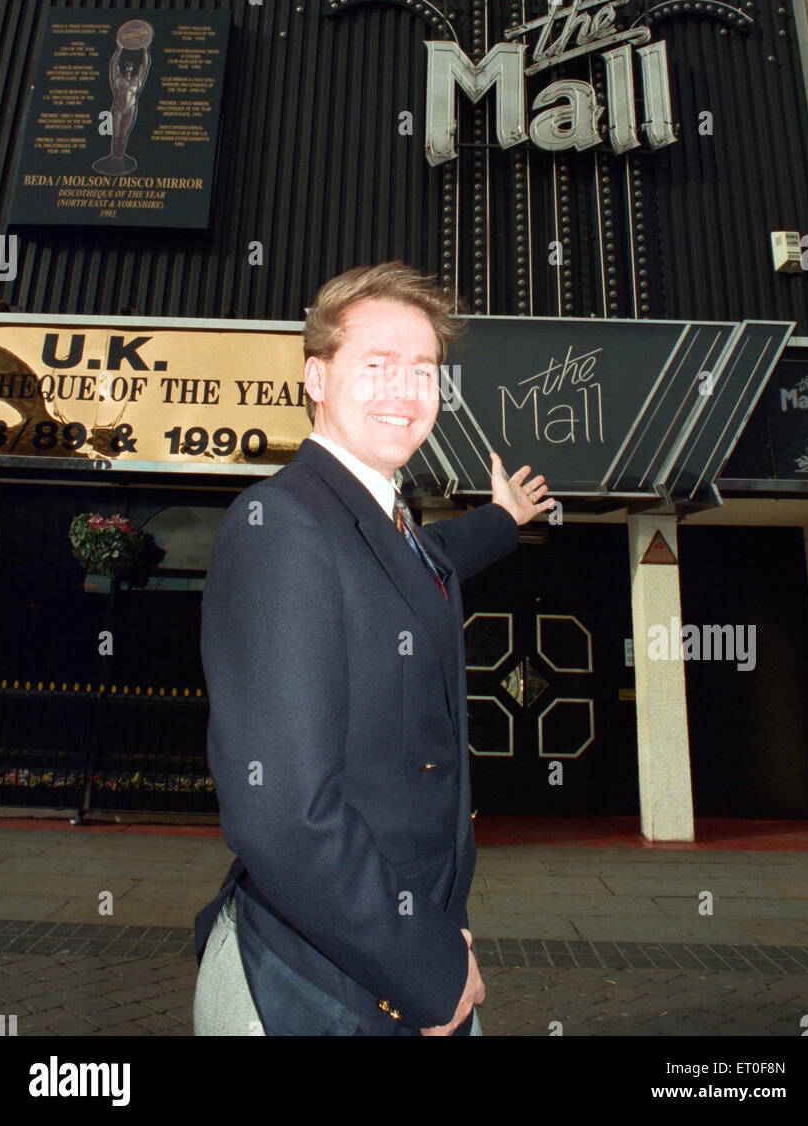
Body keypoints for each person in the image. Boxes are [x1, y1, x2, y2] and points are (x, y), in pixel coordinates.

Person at [193, 261, 556, 1036]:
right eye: (377, 365)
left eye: (422, 370)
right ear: (316, 377)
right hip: (329, 978)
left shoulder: (384, 521)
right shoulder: (283, 526)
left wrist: (501, 518)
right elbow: (282, 816)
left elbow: (431, 562)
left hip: (407, 942)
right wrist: (429, 968)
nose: (404, 390)